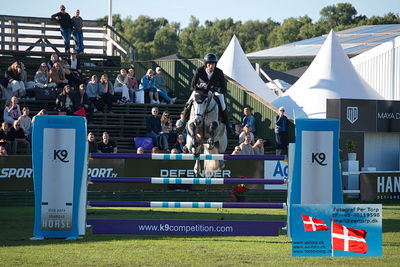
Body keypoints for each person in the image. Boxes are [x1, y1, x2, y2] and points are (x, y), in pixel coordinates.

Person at [181, 53, 233, 135]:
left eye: (213, 64)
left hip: (214, 92)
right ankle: (183, 123)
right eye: (209, 64)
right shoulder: (199, 70)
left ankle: (227, 126)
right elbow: (192, 86)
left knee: (223, 105)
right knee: (189, 102)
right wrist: (200, 89)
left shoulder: (219, 72)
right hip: (200, 91)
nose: (211, 66)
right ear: (206, 64)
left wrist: (215, 89)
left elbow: (224, 89)